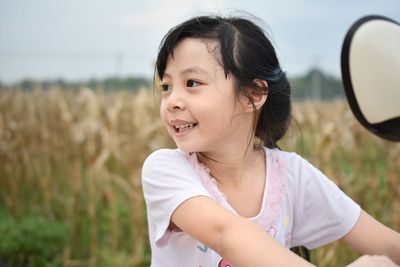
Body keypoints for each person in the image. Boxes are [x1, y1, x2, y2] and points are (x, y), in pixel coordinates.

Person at [141, 15, 400, 267]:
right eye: (166, 86)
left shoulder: (291, 175)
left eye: (192, 82)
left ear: (253, 95)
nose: (172, 101)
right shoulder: (165, 169)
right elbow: (226, 234)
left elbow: (389, 246)